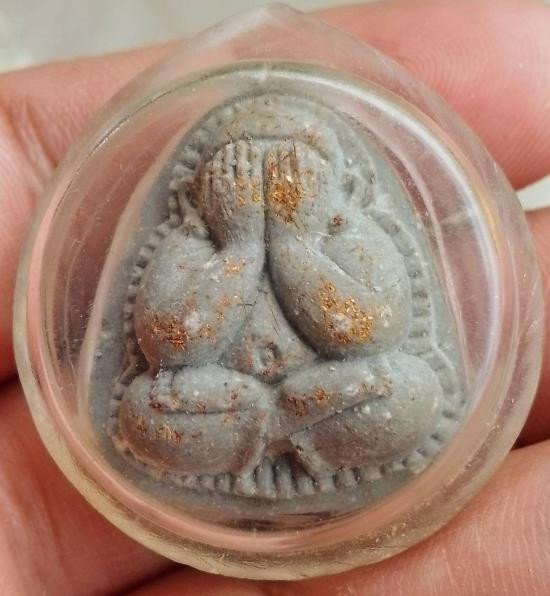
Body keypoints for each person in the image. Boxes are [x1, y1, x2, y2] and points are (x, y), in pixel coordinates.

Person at [0, 0, 548, 593]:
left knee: (415, 392)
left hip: (327, 393)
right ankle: (274, 429)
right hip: (233, 400)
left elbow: (371, 332)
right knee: (141, 413)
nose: (266, 185)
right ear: (204, 186)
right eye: (243, 170)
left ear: (338, 184)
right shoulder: (191, 240)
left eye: (291, 170)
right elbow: (172, 345)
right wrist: (238, 246)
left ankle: (272, 429)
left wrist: (292, 243)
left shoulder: (350, 232)